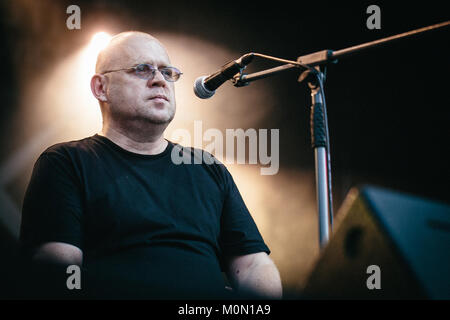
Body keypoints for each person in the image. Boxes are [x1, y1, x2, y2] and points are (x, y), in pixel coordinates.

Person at [19, 31, 282, 299]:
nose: (159, 80)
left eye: (168, 72)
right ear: (101, 88)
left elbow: (253, 265)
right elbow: (58, 273)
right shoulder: (65, 163)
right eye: (142, 69)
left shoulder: (207, 167)